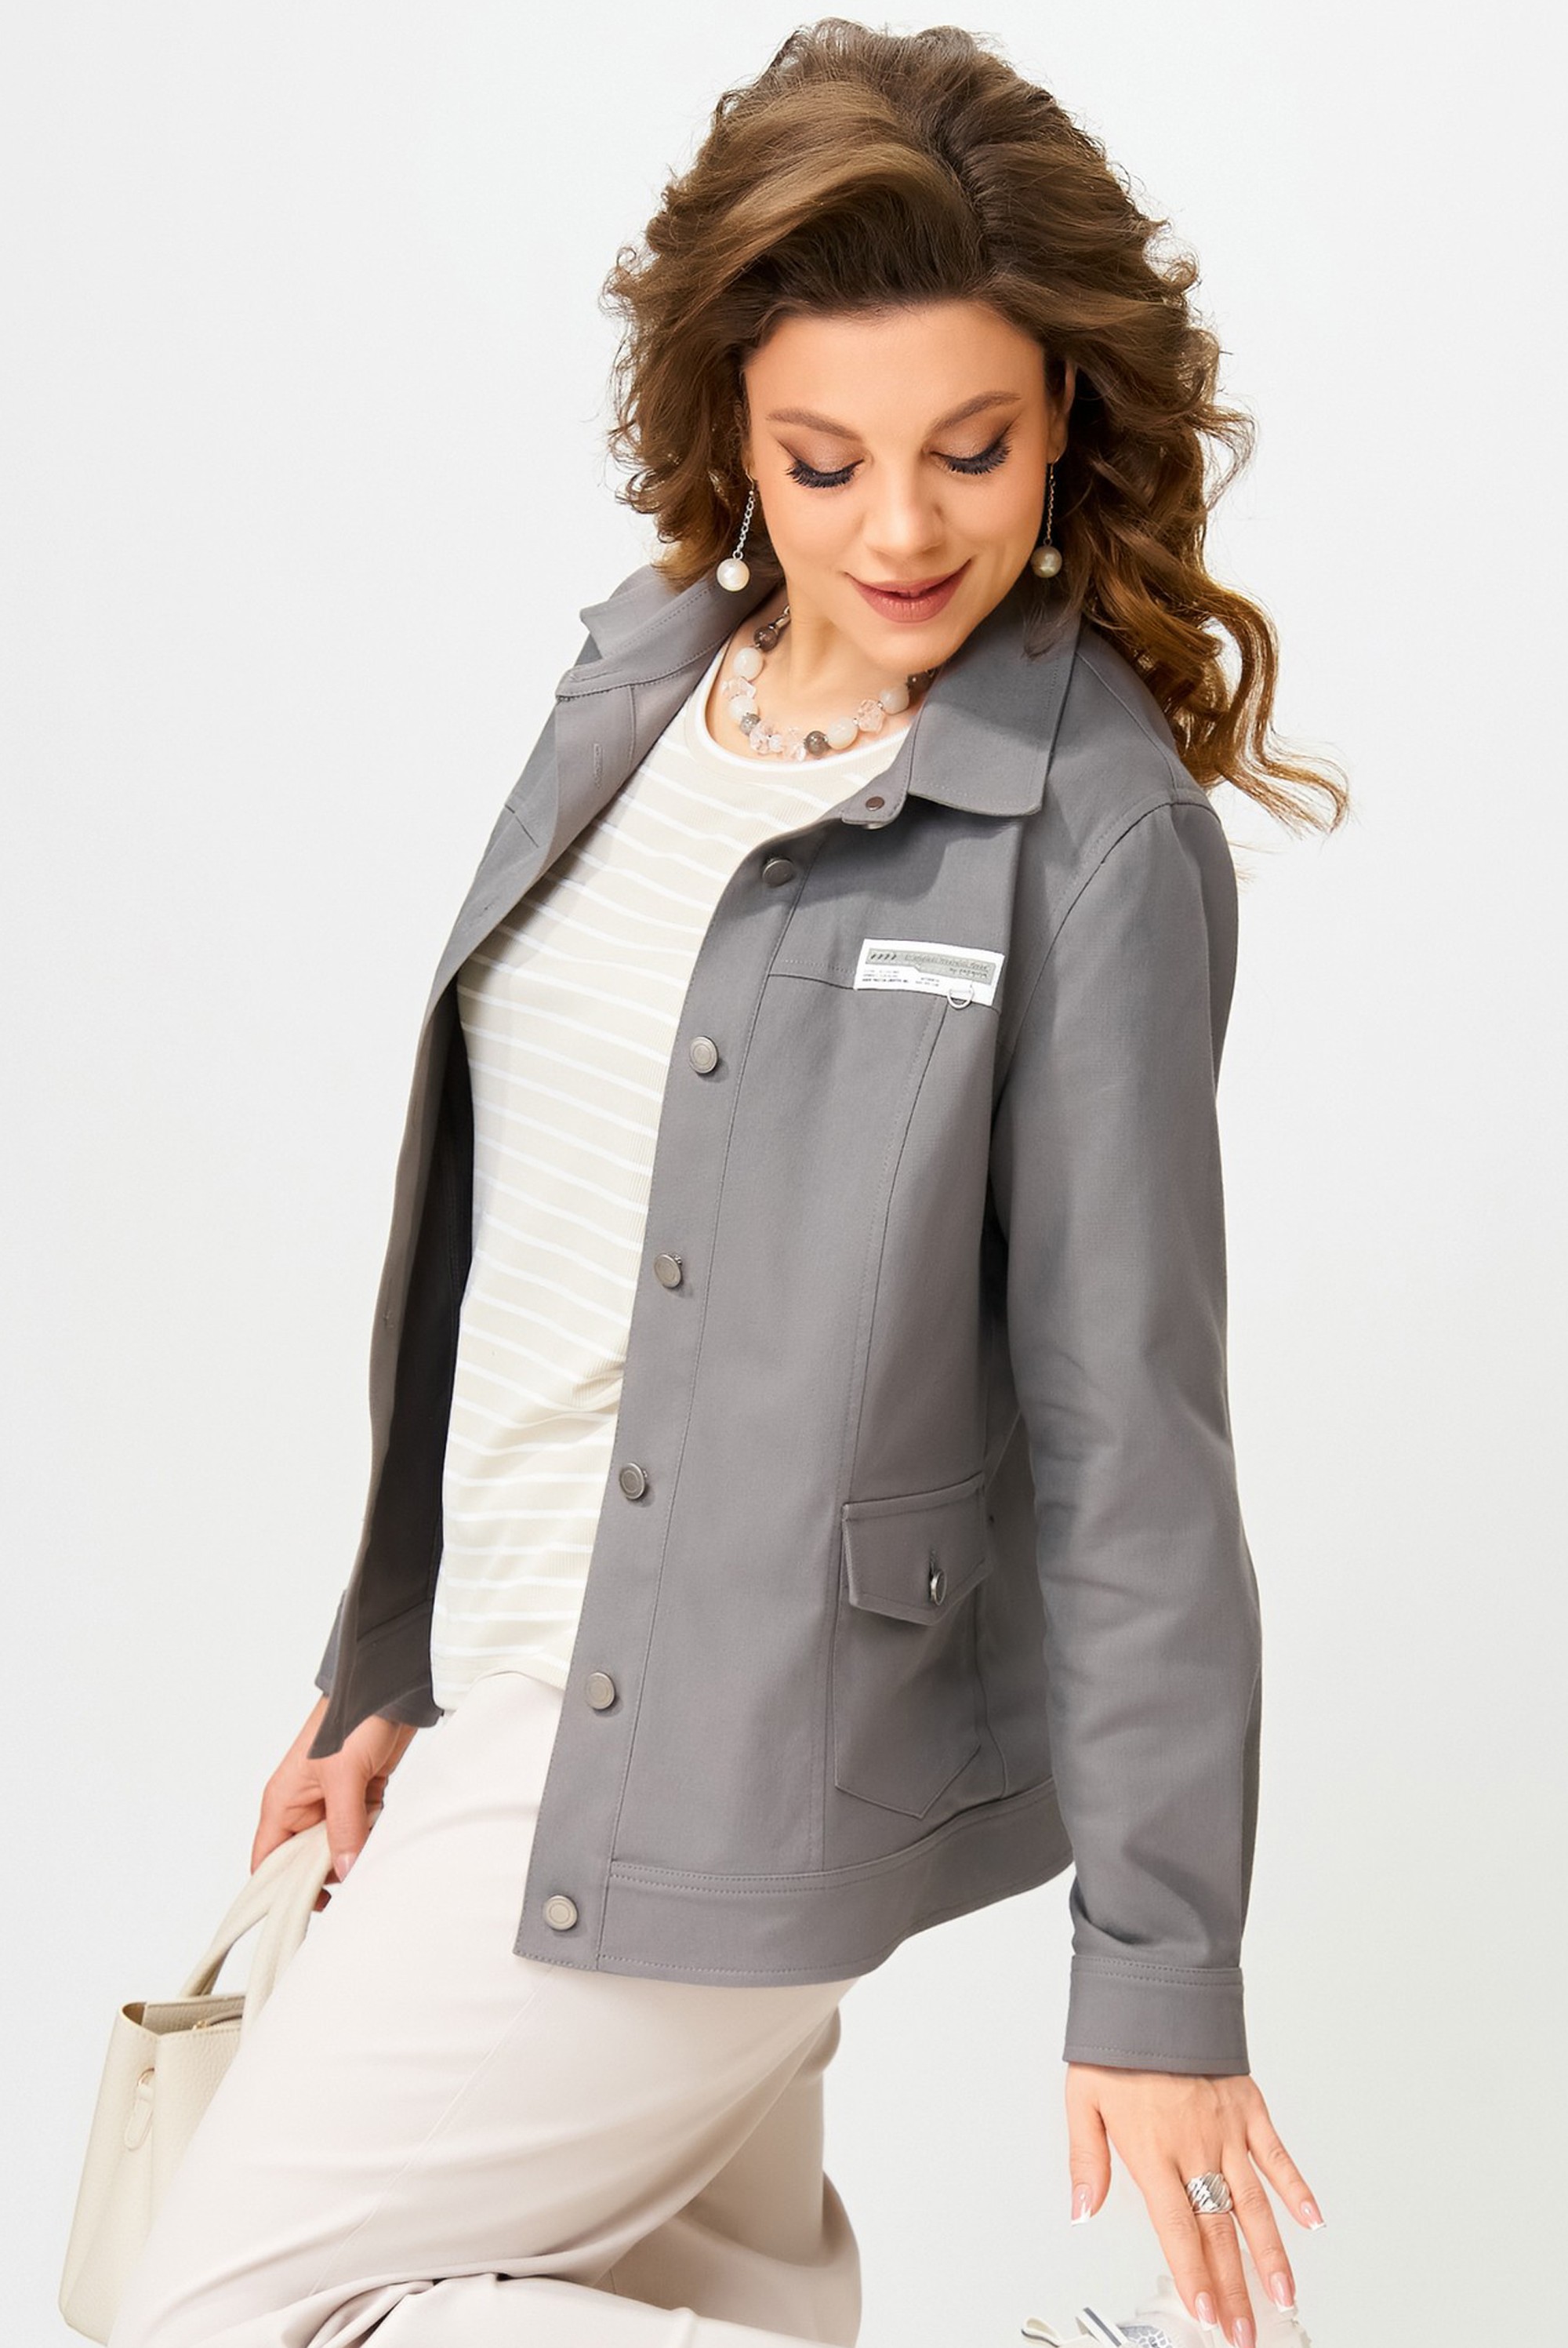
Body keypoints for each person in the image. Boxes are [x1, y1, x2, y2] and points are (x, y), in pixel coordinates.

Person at [105, 21, 1345, 2348]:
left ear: (1069, 417)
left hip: (718, 1754)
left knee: (224, 2314)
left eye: (973, 448)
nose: (904, 531)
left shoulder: (1085, 833)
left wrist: (1162, 1973)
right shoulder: (637, 685)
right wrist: (390, 1669)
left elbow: (1135, 1436)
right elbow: (527, 1242)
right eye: (824, 460)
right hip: (506, 1706)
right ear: (730, 432)